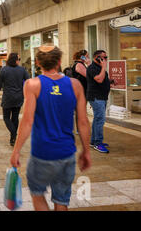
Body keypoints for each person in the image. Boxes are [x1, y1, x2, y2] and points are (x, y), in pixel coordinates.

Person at [10, 46, 92, 211]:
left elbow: (27, 121)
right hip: (67, 153)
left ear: (38, 62)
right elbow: (83, 122)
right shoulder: (75, 85)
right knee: (61, 200)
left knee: (37, 194)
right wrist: (86, 151)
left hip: (42, 153)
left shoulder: (32, 85)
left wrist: (16, 150)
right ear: (60, 62)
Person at [0, 53, 30, 146]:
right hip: (18, 97)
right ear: (15, 60)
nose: (19, 60)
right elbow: (29, 81)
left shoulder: (4, 70)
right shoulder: (22, 70)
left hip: (8, 98)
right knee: (15, 117)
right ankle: (12, 139)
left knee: (6, 117)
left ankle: (13, 134)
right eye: (19, 58)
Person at [87, 50, 112, 153]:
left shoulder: (99, 68)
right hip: (96, 97)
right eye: (104, 57)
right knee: (100, 119)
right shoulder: (92, 68)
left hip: (102, 96)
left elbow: (103, 80)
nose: (106, 59)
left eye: (106, 57)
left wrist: (110, 82)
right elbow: (99, 80)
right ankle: (98, 143)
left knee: (97, 119)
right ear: (97, 58)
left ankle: (93, 141)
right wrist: (103, 67)